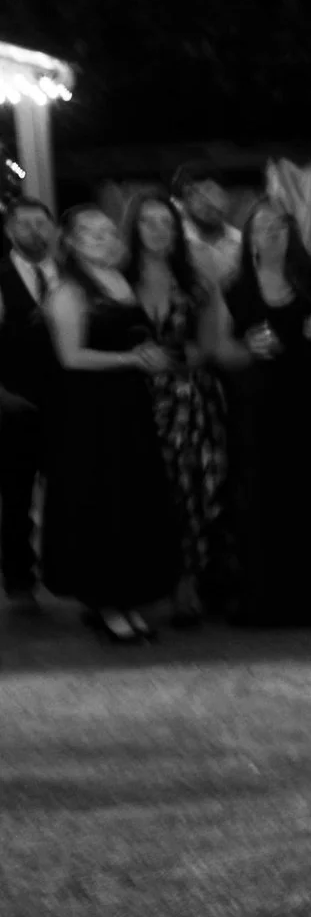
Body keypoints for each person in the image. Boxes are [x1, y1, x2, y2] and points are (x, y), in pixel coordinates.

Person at [40, 206, 182, 643]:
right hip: (91, 413)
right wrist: (131, 360)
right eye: (91, 233)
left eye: (107, 231)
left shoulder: (119, 280)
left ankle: (128, 599)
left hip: (129, 407)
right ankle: (105, 604)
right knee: (102, 503)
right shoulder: (68, 291)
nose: (103, 238)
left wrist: (151, 356)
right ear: (71, 242)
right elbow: (71, 357)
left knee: (131, 501)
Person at [222, 201, 311, 627]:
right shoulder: (232, 289)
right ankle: (267, 602)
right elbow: (217, 349)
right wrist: (246, 348)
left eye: (280, 224)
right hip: (260, 409)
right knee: (264, 501)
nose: (272, 232)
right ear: (248, 237)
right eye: (262, 226)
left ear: (293, 233)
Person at [126, 192, 236, 625]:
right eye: (148, 222)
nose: (158, 230)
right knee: (143, 492)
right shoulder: (117, 280)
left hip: (189, 397)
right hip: (134, 398)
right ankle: (143, 583)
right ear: (133, 228)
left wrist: (190, 355)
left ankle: (189, 583)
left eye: (165, 222)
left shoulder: (196, 283)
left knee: (194, 491)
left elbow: (210, 344)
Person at [2, 196, 62, 611]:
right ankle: (19, 578)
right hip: (16, 402)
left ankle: (65, 571)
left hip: (69, 401)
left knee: (69, 489)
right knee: (16, 495)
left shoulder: (71, 274)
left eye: (40, 223)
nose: (34, 231)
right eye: (24, 224)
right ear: (9, 231)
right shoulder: (1, 276)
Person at [172, 164, 244, 296]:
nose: (206, 201)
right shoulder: (174, 244)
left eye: (211, 191)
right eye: (194, 194)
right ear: (184, 202)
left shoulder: (242, 244)